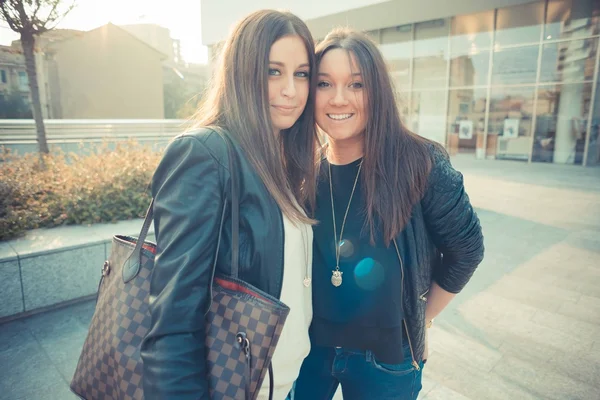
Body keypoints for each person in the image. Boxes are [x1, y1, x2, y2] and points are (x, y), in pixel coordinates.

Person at [291, 28, 485, 400]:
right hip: (307, 351)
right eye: (324, 84)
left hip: (385, 360)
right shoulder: (303, 171)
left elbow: (467, 250)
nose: (339, 98)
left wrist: (422, 320)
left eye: (357, 85)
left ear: (377, 90)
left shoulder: (419, 162)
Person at [140, 10, 319, 400]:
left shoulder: (284, 160)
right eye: (274, 71)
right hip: (237, 389)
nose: (291, 90)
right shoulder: (206, 153)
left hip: (284, 384)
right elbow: (173, 316)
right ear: (242, 73)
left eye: (302, 74)